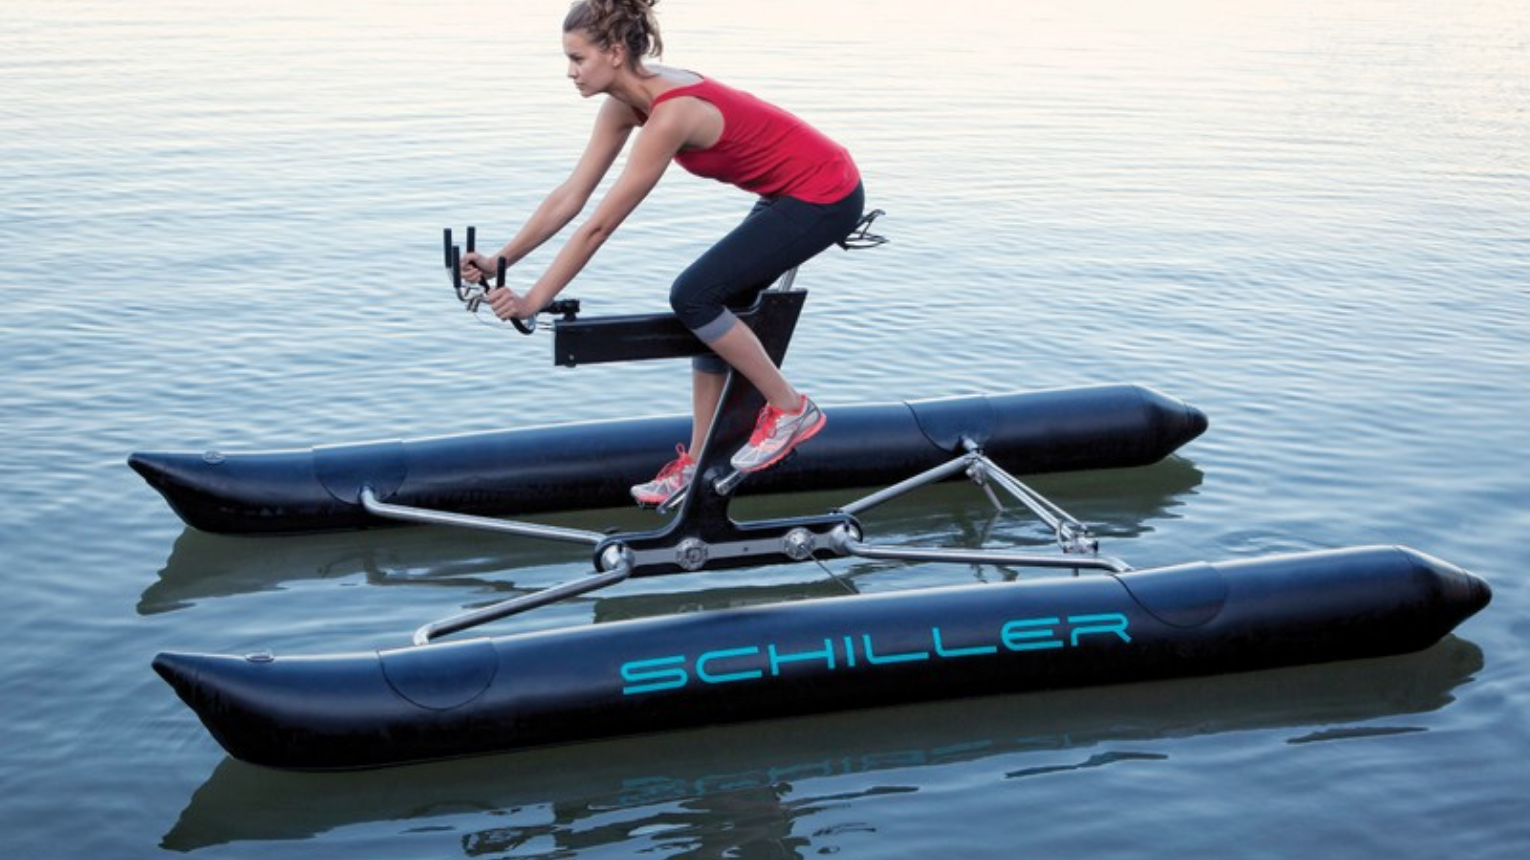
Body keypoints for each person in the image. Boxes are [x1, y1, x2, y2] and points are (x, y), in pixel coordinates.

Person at [462, 0, 864, 506]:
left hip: (825, 194)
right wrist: (503, 261)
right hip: (787, 192)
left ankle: (790, 408)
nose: (569, 72)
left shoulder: (672, 114)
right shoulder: (623, 104)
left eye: (577, 59)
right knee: (710, 305)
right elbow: (573, 195)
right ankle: (697, 463)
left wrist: (533, 300)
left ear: (613, 52)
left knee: (694, 296)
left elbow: (600, 225)